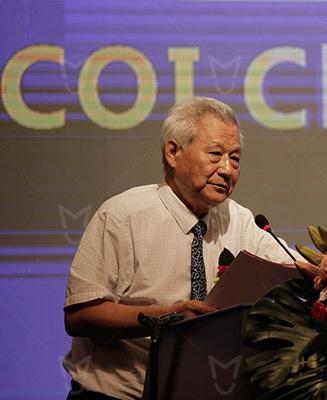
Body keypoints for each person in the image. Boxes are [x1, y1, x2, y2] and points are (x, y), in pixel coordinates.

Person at [62, 97, 301, 400]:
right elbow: (80, 315)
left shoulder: (239, 220)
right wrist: (170, 317)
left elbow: (296, 268)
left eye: (235, 158)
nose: (227, 170)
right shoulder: (123, 216)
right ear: (173, 152)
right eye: (215, 155)